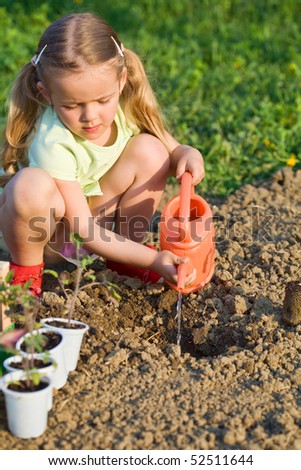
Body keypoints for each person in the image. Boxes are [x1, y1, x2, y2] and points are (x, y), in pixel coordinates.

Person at [0, 12, 204, 296]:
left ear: (121, 81)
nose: (90, 116)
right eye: (72, 105)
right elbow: (83, 231)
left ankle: (123, 257)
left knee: (151, 149)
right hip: (51, 240)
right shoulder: (52, 140)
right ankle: (27, 274)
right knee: (30, 186)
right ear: (47, 94)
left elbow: (174, 151)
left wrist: (188, 153)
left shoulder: (125, 107)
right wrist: (154, 259)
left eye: (102, 100)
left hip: (98, 230)